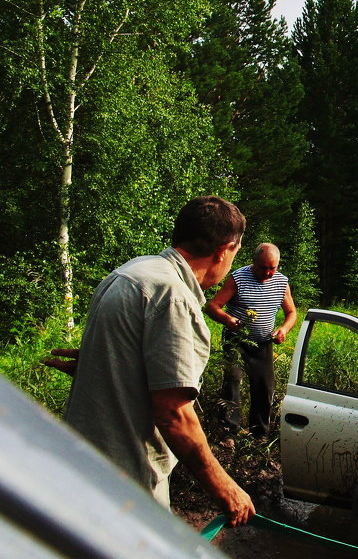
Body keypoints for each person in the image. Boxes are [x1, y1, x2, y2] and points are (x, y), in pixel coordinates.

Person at [47, 196, 255, 526]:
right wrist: (225, 487)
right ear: (224, 250)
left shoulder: (130, 273)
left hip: (82, 466)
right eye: (235, 254)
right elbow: (173, 412)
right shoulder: (171, 295)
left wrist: (108, 364)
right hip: (127, 487)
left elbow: (130, 362)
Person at [204, 242, 297, 437]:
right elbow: (213, 306)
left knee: (264, 387)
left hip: (263, 343)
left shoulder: (281, 282)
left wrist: (283, 330)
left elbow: (291, 313)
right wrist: (228, 319)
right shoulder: (238, 278)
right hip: (236, 341)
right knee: (233, 382)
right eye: (263, 267)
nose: (268, 273)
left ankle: (259, 434)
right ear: (253, 262)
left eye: (273, 268)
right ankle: (228, 432)